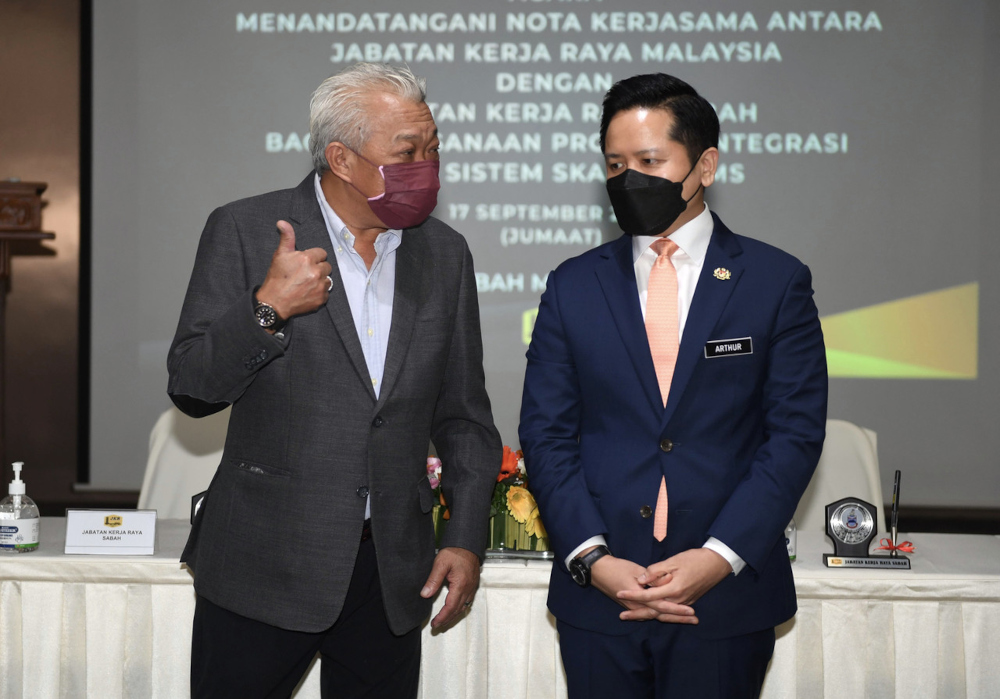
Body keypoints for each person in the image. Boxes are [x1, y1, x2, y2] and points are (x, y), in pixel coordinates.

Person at [168, 62, 501, 698]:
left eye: (433, 148)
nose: (427, 164)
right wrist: (268, 309)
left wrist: (465, 540)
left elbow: (463, 417)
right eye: (408, 152)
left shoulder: (445, 253)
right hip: (263, 563)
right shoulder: (245, 229)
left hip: (392, 572)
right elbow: (191, 386)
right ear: (342, 158)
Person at [519, 73, 828, 698]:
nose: (628, 178)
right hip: (602, 596)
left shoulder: (774, 281)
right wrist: (594, 560)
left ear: (705, 165)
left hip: (725, 597)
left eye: (649, 161)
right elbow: (545, 434)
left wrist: (717, 558)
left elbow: (793, 435)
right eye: (615, 163)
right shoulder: (573, 285)